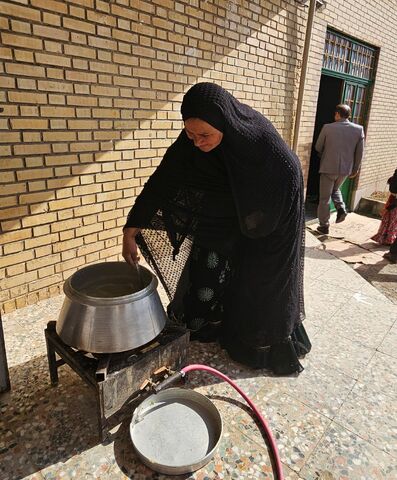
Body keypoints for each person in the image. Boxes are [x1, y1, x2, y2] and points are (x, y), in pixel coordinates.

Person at [122, 82, 311, 375]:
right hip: (226, 216)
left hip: (271, 221)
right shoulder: (194, 139)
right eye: (190, 134)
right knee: (209, 271)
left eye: (205, 135)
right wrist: (131, 229)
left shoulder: (260, 142)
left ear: (225, 123)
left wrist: (253, 227)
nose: (197, 142)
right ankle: (212, 323)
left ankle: (259, 346)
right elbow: (163, 180)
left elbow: (288, 175)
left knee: (258, 284)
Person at [315, 104, 365, 235]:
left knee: (324, 198)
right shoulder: (359, 130)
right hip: (345, 170)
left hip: (328, 167)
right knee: (335, 189)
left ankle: (324, 225)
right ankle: (341, 208)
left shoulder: (328, 128)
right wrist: (355, 169)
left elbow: (318, 147)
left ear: (337, 114)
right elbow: (360, 153)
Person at [372, 168, 397, 262]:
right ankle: (389, 240)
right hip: (393, 201)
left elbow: (393, 188)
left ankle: (390, 244)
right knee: (392, 222)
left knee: (391, 221)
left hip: (394, 203)